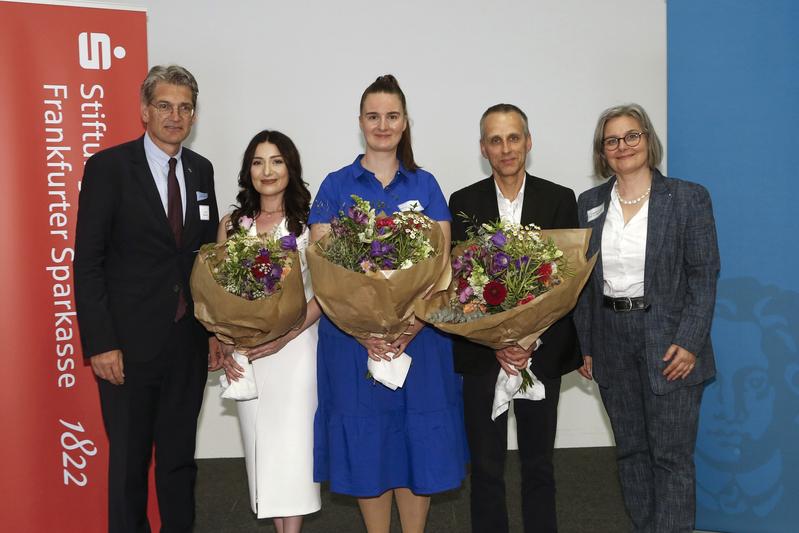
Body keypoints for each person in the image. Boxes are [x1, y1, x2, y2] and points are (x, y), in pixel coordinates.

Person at [308, 74, 468, 533]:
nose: (382, 124)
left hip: (419, 341)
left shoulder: (426, 184)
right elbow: (325, 269)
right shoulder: (336, 186)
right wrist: (365, 331)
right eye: (374, 116)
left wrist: (409, 327)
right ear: (360, 122)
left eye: (391, 116)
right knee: (368, 444)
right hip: (353, 343)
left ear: (404, 123)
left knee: (416, 442)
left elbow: (441, 267)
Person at [74, 65, 221, 532]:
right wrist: (100, 343)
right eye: (164, 105)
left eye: (184, 107)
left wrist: (215, 331)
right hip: (126, 349)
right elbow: (88, 263)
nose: (174, 116)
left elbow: (206, 261)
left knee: (179, 463)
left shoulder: (202, 170)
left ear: (194, 115)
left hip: (187, 345)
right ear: (144, 111)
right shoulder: (108, 168)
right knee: (129, 468)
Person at [573, 103, 719, 532]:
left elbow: (704, 274)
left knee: (670, 457)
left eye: (631, 135)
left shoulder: (689, 197)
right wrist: (586, 345)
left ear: (649, 139)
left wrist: (691, 340)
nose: (623, 146)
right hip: (610, 338)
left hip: (670, 340)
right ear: (603, 152)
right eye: (612, 140)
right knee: (631, 452)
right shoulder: (589, 204)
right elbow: (581, 284)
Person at [449, 103, 581, 533]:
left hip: (540, 355)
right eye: (495, 140)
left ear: (528, 142)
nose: (506, 148)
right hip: (483, 356)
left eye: (513, 138)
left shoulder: (560, 199)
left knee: (539, 463)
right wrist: (498, 342)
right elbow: (458, 287)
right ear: (483, 149)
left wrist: (528, 341)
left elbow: (568, 283)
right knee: (485, 468)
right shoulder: (463, 202)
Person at [218, 130, 321, 532]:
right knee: (262, 450)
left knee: (292, 450)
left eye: (276, 161)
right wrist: (227, 343)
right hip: (247, 355)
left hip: (296, 352)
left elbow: (328, 295)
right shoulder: (234, 225)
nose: (267, 170)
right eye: (258, 162)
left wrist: (287, 335)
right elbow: (217, 292)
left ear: (290, 167)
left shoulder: (312, 225)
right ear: (248, 171)